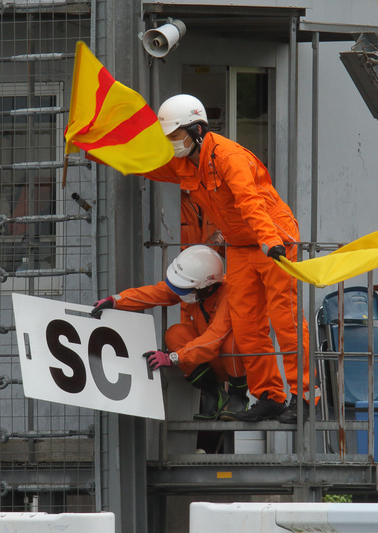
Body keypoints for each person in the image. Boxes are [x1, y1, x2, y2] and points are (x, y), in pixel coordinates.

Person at [139, 94, 314, 423]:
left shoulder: (228, 156)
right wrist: (100, 150)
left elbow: (250, 202)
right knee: (248, 325)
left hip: (272, 241)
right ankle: (270, 396)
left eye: (176, 136)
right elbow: (146, 165)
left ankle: (305, 397)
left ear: (197, 129)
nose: (172, 144)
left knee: (285, 321)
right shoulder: (187, 160)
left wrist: (270, 241)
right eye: (169, 138)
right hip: (240, 246)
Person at [91, 245, 249, 421]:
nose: (181, 293)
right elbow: (155, 293)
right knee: (175, 334)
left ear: (209, 286)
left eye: (186, 289)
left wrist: (173, 357)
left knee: (231, 341)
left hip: (232, 360)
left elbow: (215, 338)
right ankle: (213, 393)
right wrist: (115, 301)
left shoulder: (229, 292)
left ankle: (238, 395)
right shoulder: (197, 287)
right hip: (208, 357)